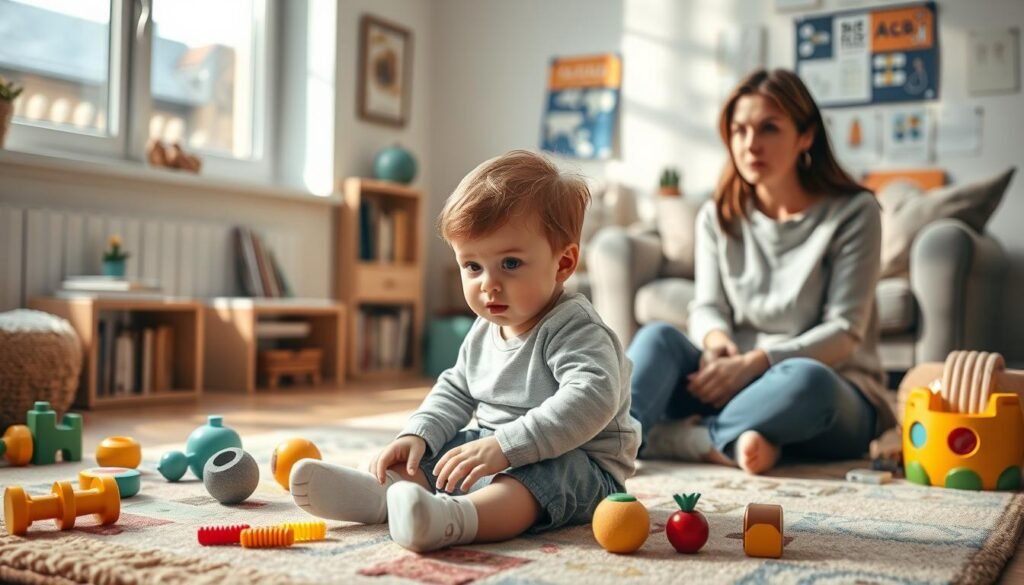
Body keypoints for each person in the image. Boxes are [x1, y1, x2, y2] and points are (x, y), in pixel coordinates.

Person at [290, 150, 641, 552]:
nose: (488, 284)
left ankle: (451, 519)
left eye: (510, 263)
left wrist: (507, 446)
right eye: (472, 266)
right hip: (493, 448)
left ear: (563, 263)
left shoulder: (575, 327)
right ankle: (379, 494)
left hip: (581, 467)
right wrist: (418, 434)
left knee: (537, 478)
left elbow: (592, 397)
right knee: (442, 453)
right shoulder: (486, 327)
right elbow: (457, 388)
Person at [628, 68, 895, 475]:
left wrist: (757, 362)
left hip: (830, 389)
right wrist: (717, 343)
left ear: (805, 136)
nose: (750, 145)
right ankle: (615, 442)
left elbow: (844, 331)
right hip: (732, 382)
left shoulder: (855, 213)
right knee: (657, 338)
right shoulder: (717, 216)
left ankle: (679, 439)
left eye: (768, 128)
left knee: (808, 380)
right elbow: (708, 306)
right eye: (739, 131)